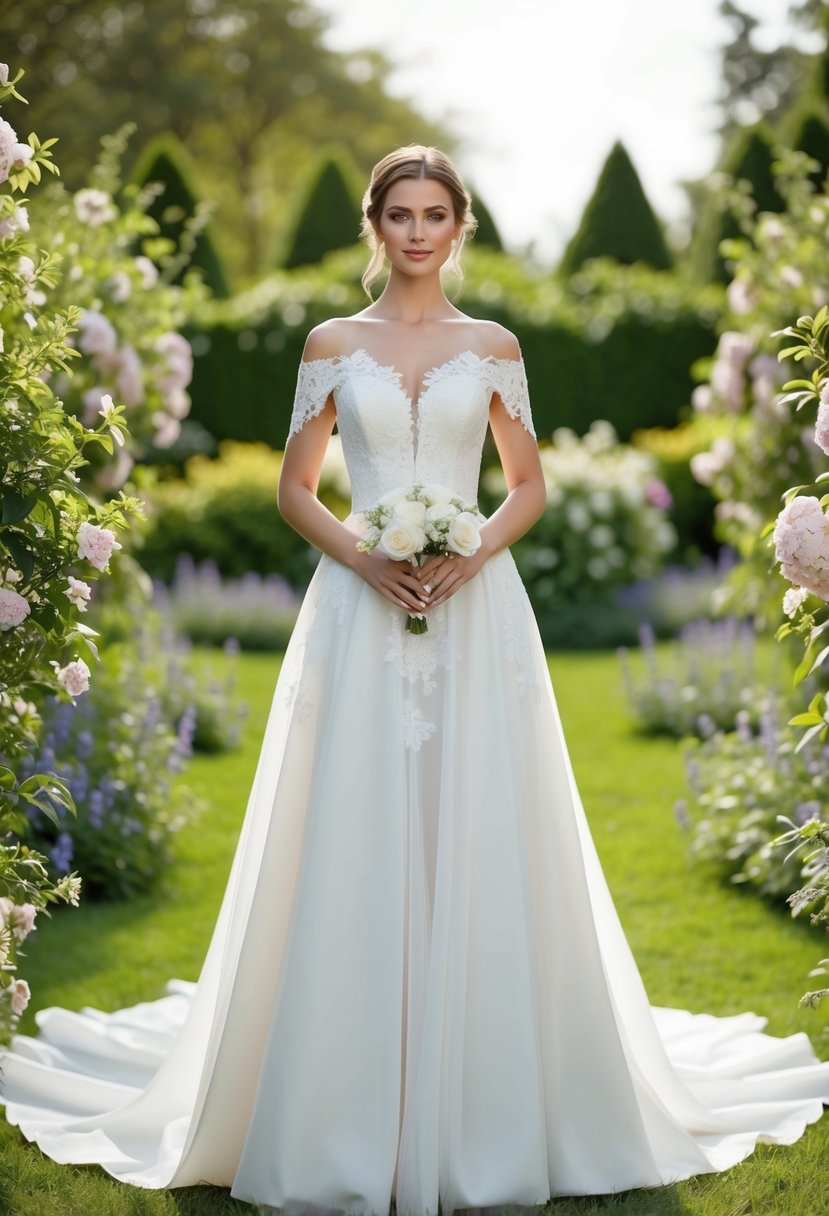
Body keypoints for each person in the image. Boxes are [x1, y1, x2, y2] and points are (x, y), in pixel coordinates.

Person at [2, 143, 829, 1216]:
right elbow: (302, 488)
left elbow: (525, 483)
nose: (419, 230)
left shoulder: (492, 346)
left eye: (437, 212)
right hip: (355, 608)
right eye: (401, 213)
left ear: (461, 225)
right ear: (374, 224)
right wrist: (366, 555)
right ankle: (340, 1086)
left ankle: (486, 1079)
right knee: (348, 822)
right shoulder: (328, 343)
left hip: (476, 609)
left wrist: (467, 550)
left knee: (478, 821)